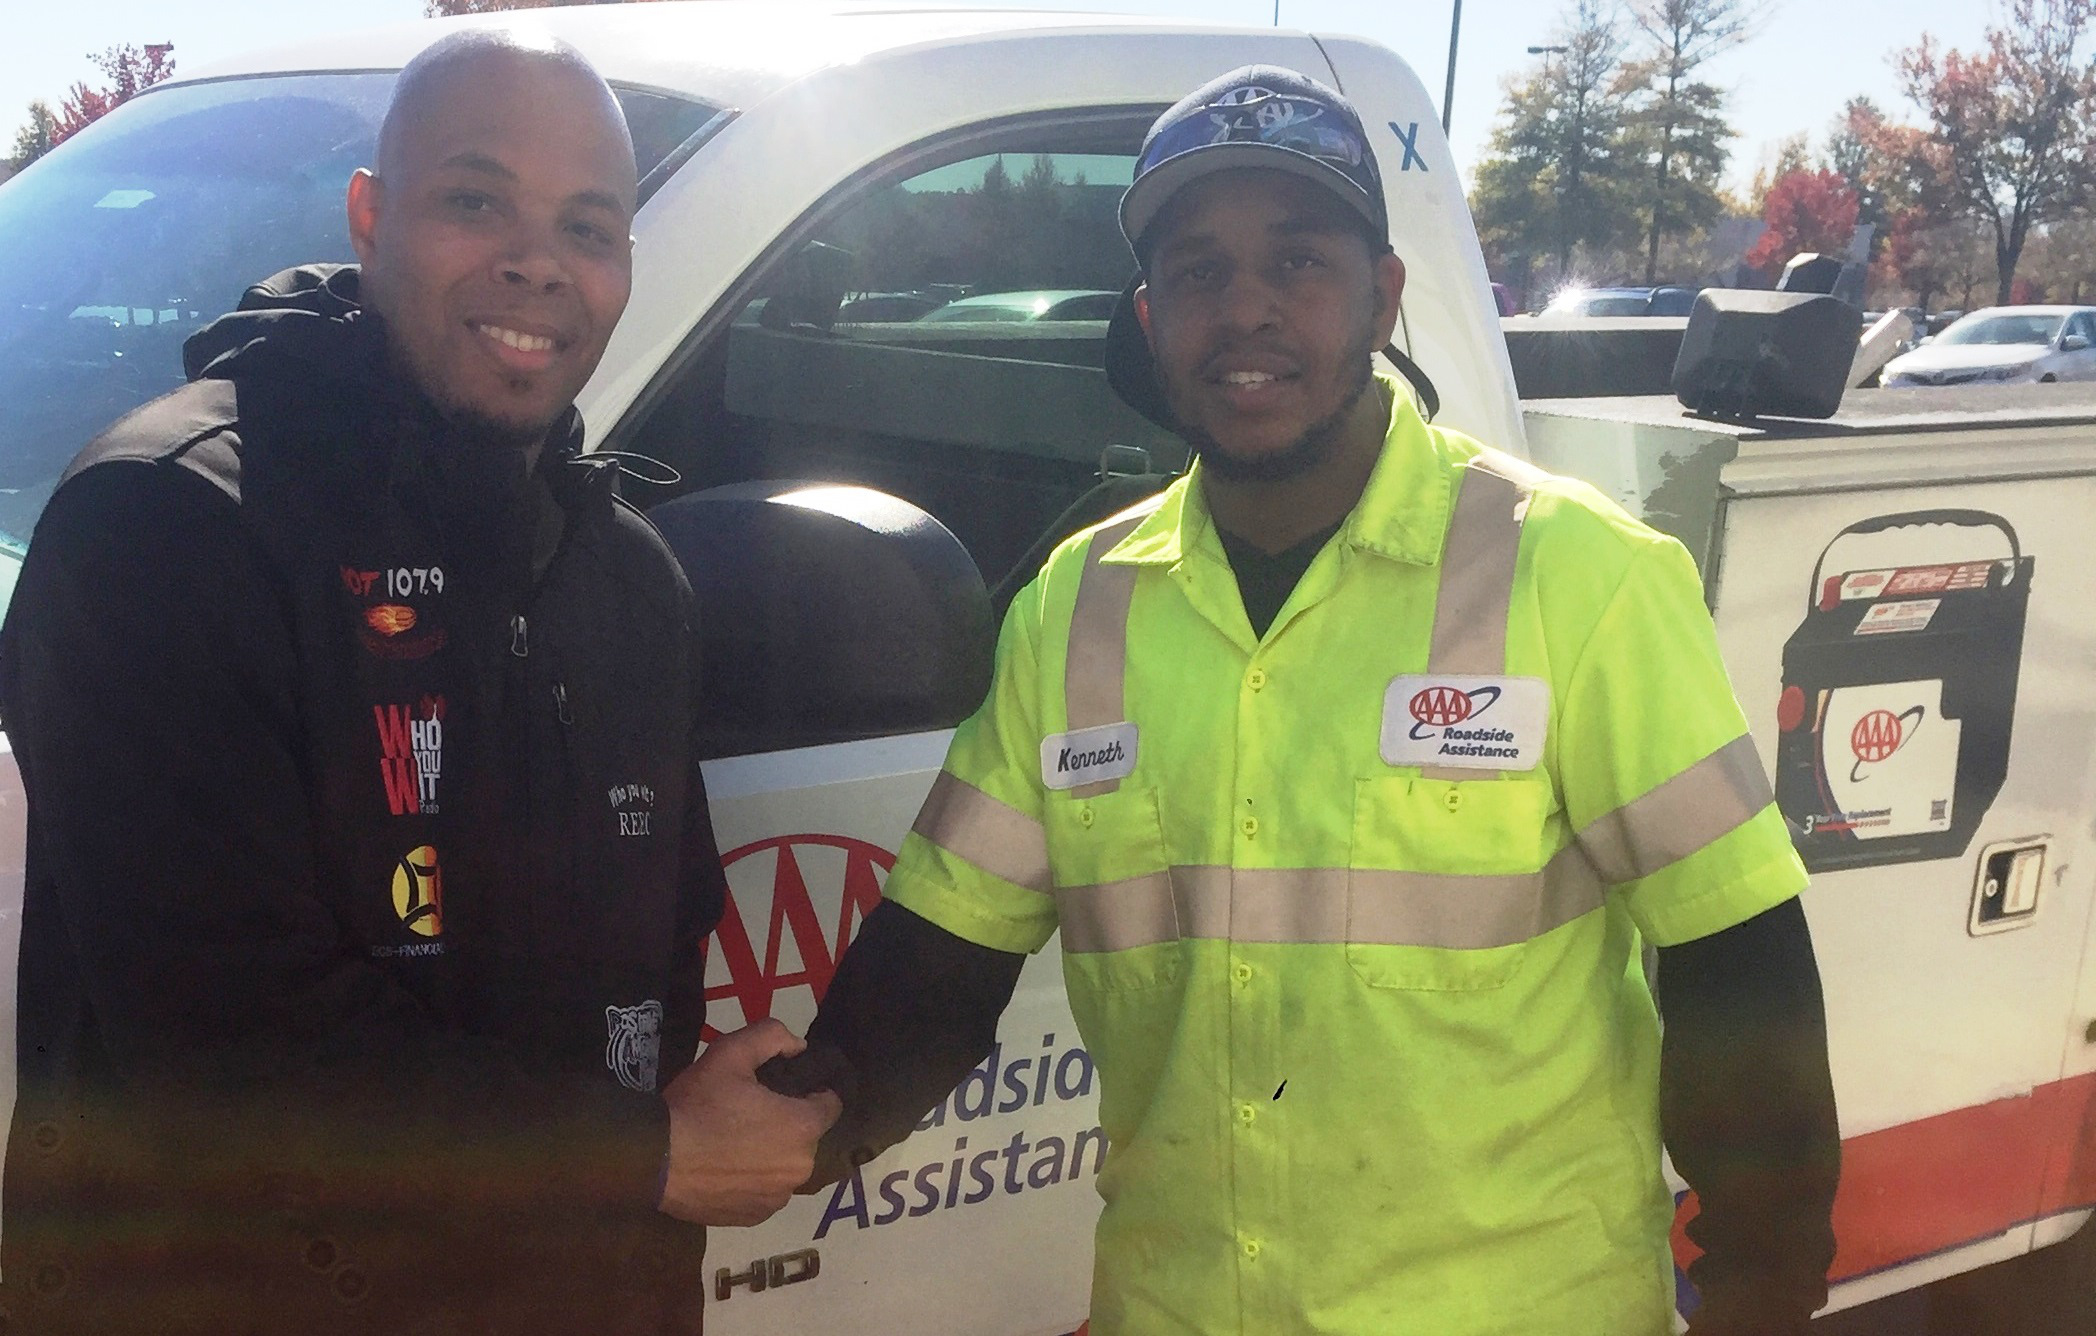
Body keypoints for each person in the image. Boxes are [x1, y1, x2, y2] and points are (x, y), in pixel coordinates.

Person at [778, 67, 1840, 1335]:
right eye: (1199, 272)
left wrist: (1760, 1288)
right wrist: (796, 1119)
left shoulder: (1580, 576)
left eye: (1299, 262)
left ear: (1383, 299)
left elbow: (1738, 969)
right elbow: (940, 958)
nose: (1246, 309)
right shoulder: (1074, 609)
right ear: (1150, 318)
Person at [0, 31, 835, 1336]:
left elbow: (649, 1002)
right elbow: (230, 1049)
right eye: (476, 200)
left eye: (586, 226)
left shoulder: (630, 580)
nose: (537, 262)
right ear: (371, 217)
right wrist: (642, 1160)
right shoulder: (170, 524)